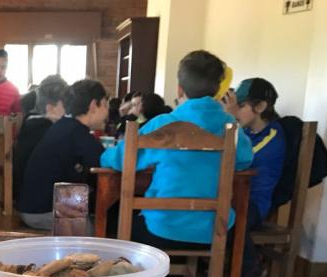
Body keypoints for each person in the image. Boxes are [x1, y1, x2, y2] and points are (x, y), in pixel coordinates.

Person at [100, 50, 253, 249]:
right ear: (218, 89)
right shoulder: (230, 126)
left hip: (161, 229)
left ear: (179, 90)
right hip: (213, 231)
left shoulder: (162, 124)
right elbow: (244, 159)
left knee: (119, 224)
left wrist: (105, 154)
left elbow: (120, 159)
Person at [17, 79, 108, 230]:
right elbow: (103, 160)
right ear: (93, 105)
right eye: (105, 105)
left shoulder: (66, 126)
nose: (107, 111)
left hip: (34, 206)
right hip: (42, 211)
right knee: (89, 230)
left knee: (91, 219)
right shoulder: (76, 132)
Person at [222, 77, 286, 277]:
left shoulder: (273, 135)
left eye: (240, 106)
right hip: (233, 197)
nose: (236, 111)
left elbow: (241, 160)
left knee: (227, 219)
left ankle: (251, 269)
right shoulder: (247, 132)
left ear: (260, 107)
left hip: (254, 203)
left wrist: (232, 120)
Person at [14, 75, 70, 198]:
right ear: (50, 108)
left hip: (26, 196)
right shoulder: (47, 131)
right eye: (65, 105)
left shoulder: (33, 123)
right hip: (38, 200)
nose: (68, 111)